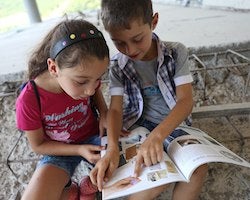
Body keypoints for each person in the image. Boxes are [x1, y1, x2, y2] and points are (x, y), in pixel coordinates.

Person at [90, 0, 208, 199]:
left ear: (153, 21)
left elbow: (185, 102)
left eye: (137, 39)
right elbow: (116, 110)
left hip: (173, 125)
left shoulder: (176, 52)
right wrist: (111, 148)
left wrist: (158, 136)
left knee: (198, 169)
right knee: (151, 176)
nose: (130, 50)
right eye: (119, 42)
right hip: (137, 127)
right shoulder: (118, 65)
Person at [16, 16, 109, 200]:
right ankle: (71, 191)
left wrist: (104, 112)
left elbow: (95, 93)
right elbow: (39, 145)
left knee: (125, 167)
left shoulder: (85, 79)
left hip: (94, 139)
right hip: (58, 150)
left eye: (98, 78)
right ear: (53, 68)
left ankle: (88, 187)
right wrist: (78, 150)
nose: (90, 89)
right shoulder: (29, 99)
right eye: (81, 81)